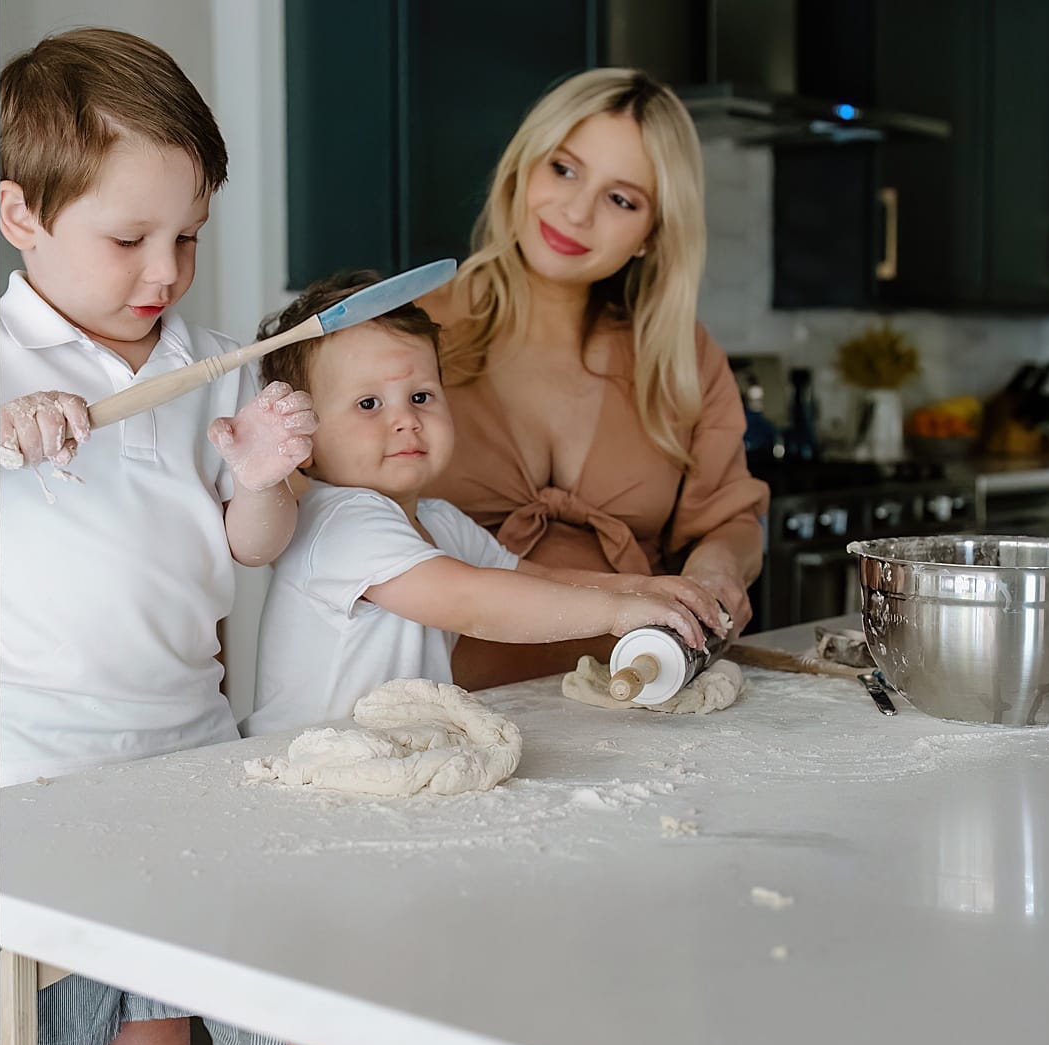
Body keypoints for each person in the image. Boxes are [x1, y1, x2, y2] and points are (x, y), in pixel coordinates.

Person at [0, 29, 316, 1045]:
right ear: (17, 215)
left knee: (156, 1017)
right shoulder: (4, 358)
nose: (166, 274)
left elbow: (248, 552)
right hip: (35, 769)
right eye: (130, 239)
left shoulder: (206, 362)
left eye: (188, 237)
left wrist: (263, 472)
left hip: (184, 744)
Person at [243, 272, 729, 738]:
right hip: (300, 763)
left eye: (420, 395)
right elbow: (470, 601)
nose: (406, 420)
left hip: (373, 757)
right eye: (369, 404)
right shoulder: (341, 522)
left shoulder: (438, 520)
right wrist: (613, 613)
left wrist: (642, 589)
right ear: (303, 440)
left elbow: (528, 577)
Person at [422, 67, 769, 689]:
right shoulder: (411, 334)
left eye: (621, 199)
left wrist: (720, 570)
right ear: (523, 167)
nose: (577, 212)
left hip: (641, 702)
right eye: (564, 168)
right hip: (439, 709)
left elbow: (729, 519)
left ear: (650, 236)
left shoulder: (681, 357)